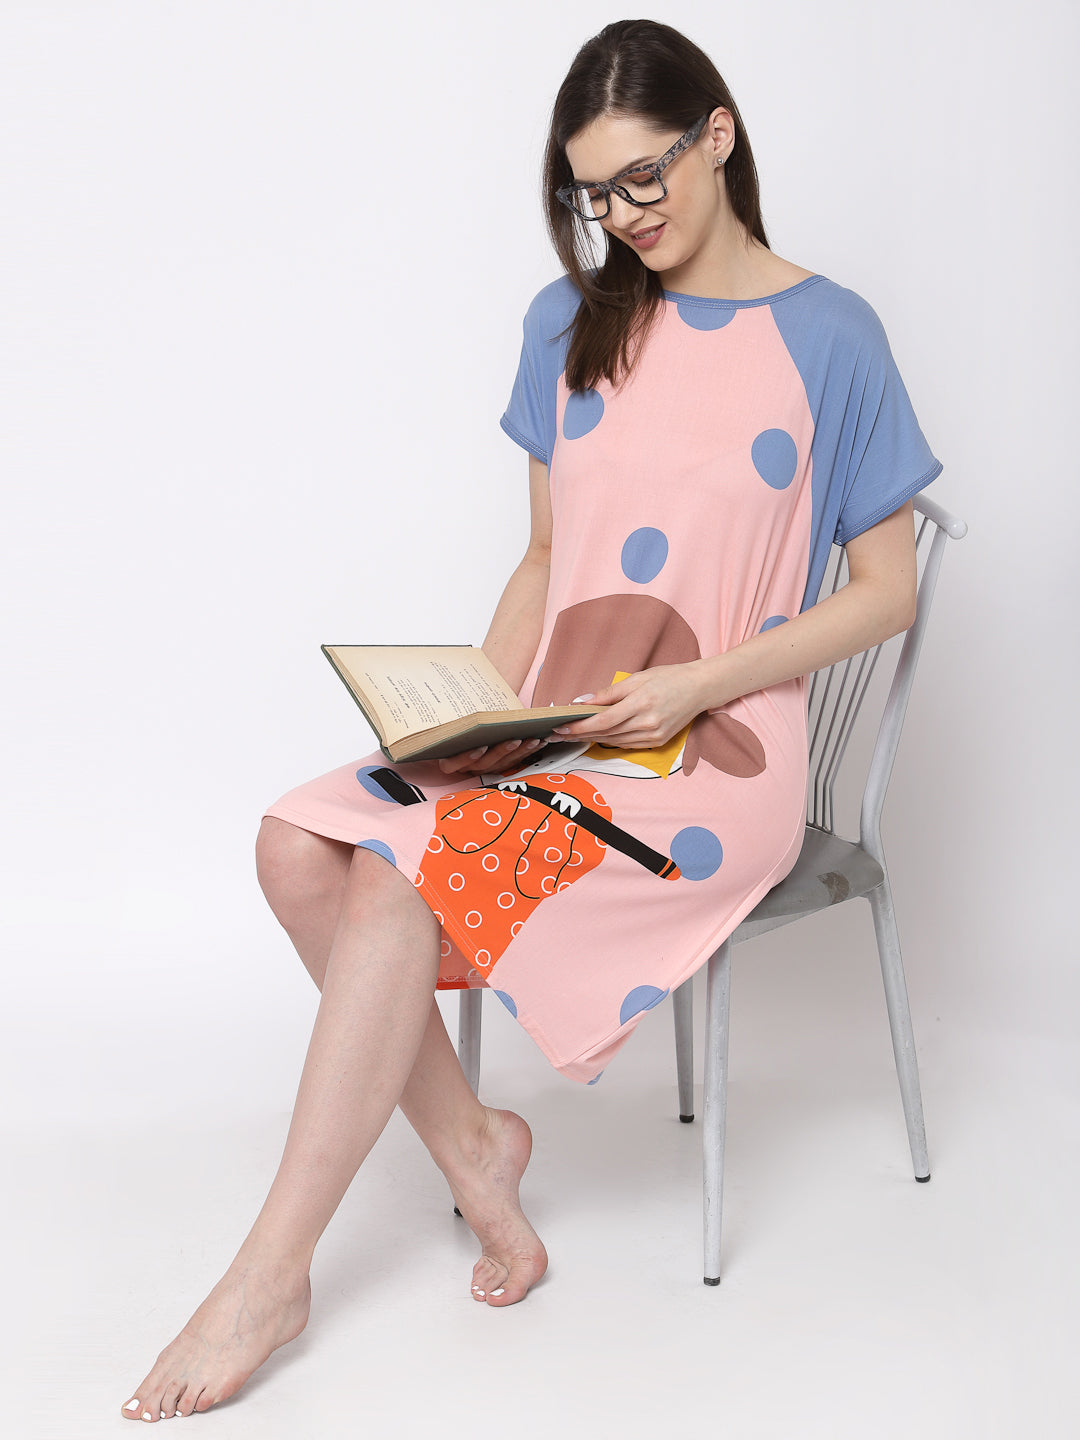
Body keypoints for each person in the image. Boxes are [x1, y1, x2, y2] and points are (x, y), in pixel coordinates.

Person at [121, 17, 940, 1422]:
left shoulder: (833, 337)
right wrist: (472, 723)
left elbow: (888, 591)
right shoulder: (567, 322)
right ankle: (477, 1149)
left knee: (402, 877)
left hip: (710, 758)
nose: (624, 216)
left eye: (643, 178)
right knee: (297, 844)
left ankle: (270, 1274)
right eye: (594, 193)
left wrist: (700, 682)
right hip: (558, 727)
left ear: (719, 136)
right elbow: (550, 559)